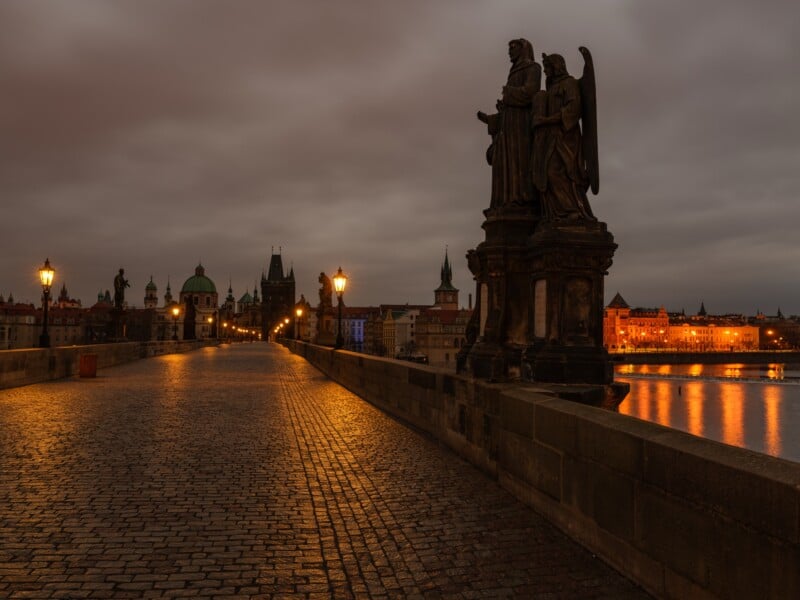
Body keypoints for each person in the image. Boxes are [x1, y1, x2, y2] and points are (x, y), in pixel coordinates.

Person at [477, 38, 541, 209]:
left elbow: (531, 92)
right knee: (506, 160)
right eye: (509, 48)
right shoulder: (513, 71)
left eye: (513, 48)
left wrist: (509, 92)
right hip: (509, 122)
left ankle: (522, 199)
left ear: (523, 49)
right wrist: (497, 113)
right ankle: (508, 199)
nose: (509, 51)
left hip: (522, 123)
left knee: (520, 158)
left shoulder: (533, 68)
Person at [532, 53, 595, 221]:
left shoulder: (570, 83)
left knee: (557, 172)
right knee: (545, 173)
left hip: (566, 137)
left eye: (547, 67)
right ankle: (556, 213)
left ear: (556, 66)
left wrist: (546, 120)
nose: (545, 71)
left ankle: (571, 211)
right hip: (551, 137)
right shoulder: (552, 88)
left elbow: (573, 109)